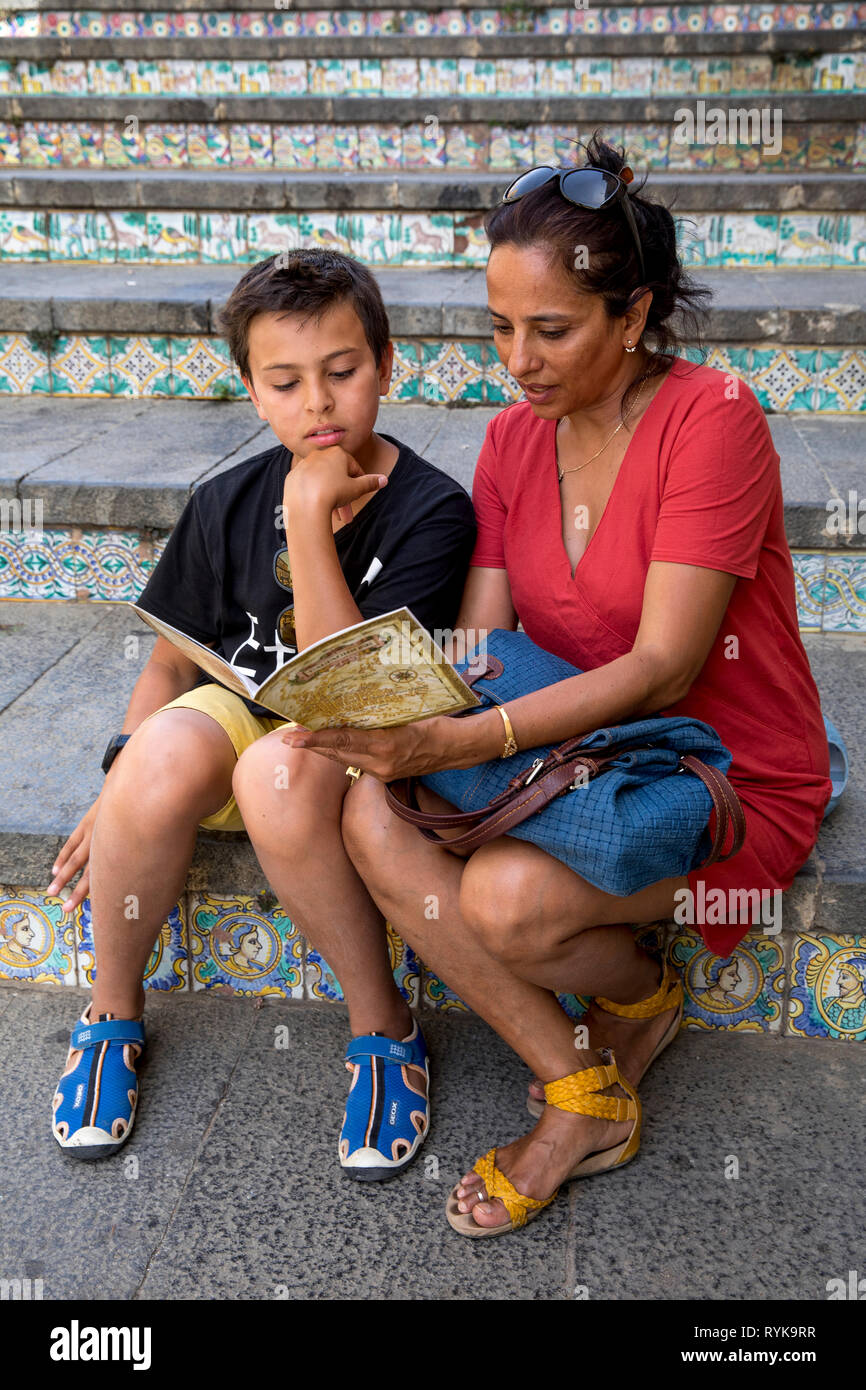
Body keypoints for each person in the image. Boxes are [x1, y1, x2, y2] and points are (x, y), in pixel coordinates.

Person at [280, 133, 833, 1236]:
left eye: (551, 330)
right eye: (498, 328)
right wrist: (389, 707)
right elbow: (483, 646)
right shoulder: (510, 440)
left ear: (630, 321)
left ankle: (634, 995)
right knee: (370, 813)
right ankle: (581, 1082)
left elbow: (665, 666)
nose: (517, 359)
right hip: (576, 755)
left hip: (717, 764)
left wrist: (462, 749)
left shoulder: (711, 420)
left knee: (506, 899)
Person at [48, 248, 476, 1178]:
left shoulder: (433, 511)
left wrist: (310, 523)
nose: (317, 404)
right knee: (159, 758)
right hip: (250, 718)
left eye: (342, 372)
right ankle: (112, 1015)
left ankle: (383, 1024)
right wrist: (118, 787)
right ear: (252, 390)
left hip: (358, 743)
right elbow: (171, 662)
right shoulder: (222, 502)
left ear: (387, 365)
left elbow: (350, 692)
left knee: (274, 772)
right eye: (285, 382)